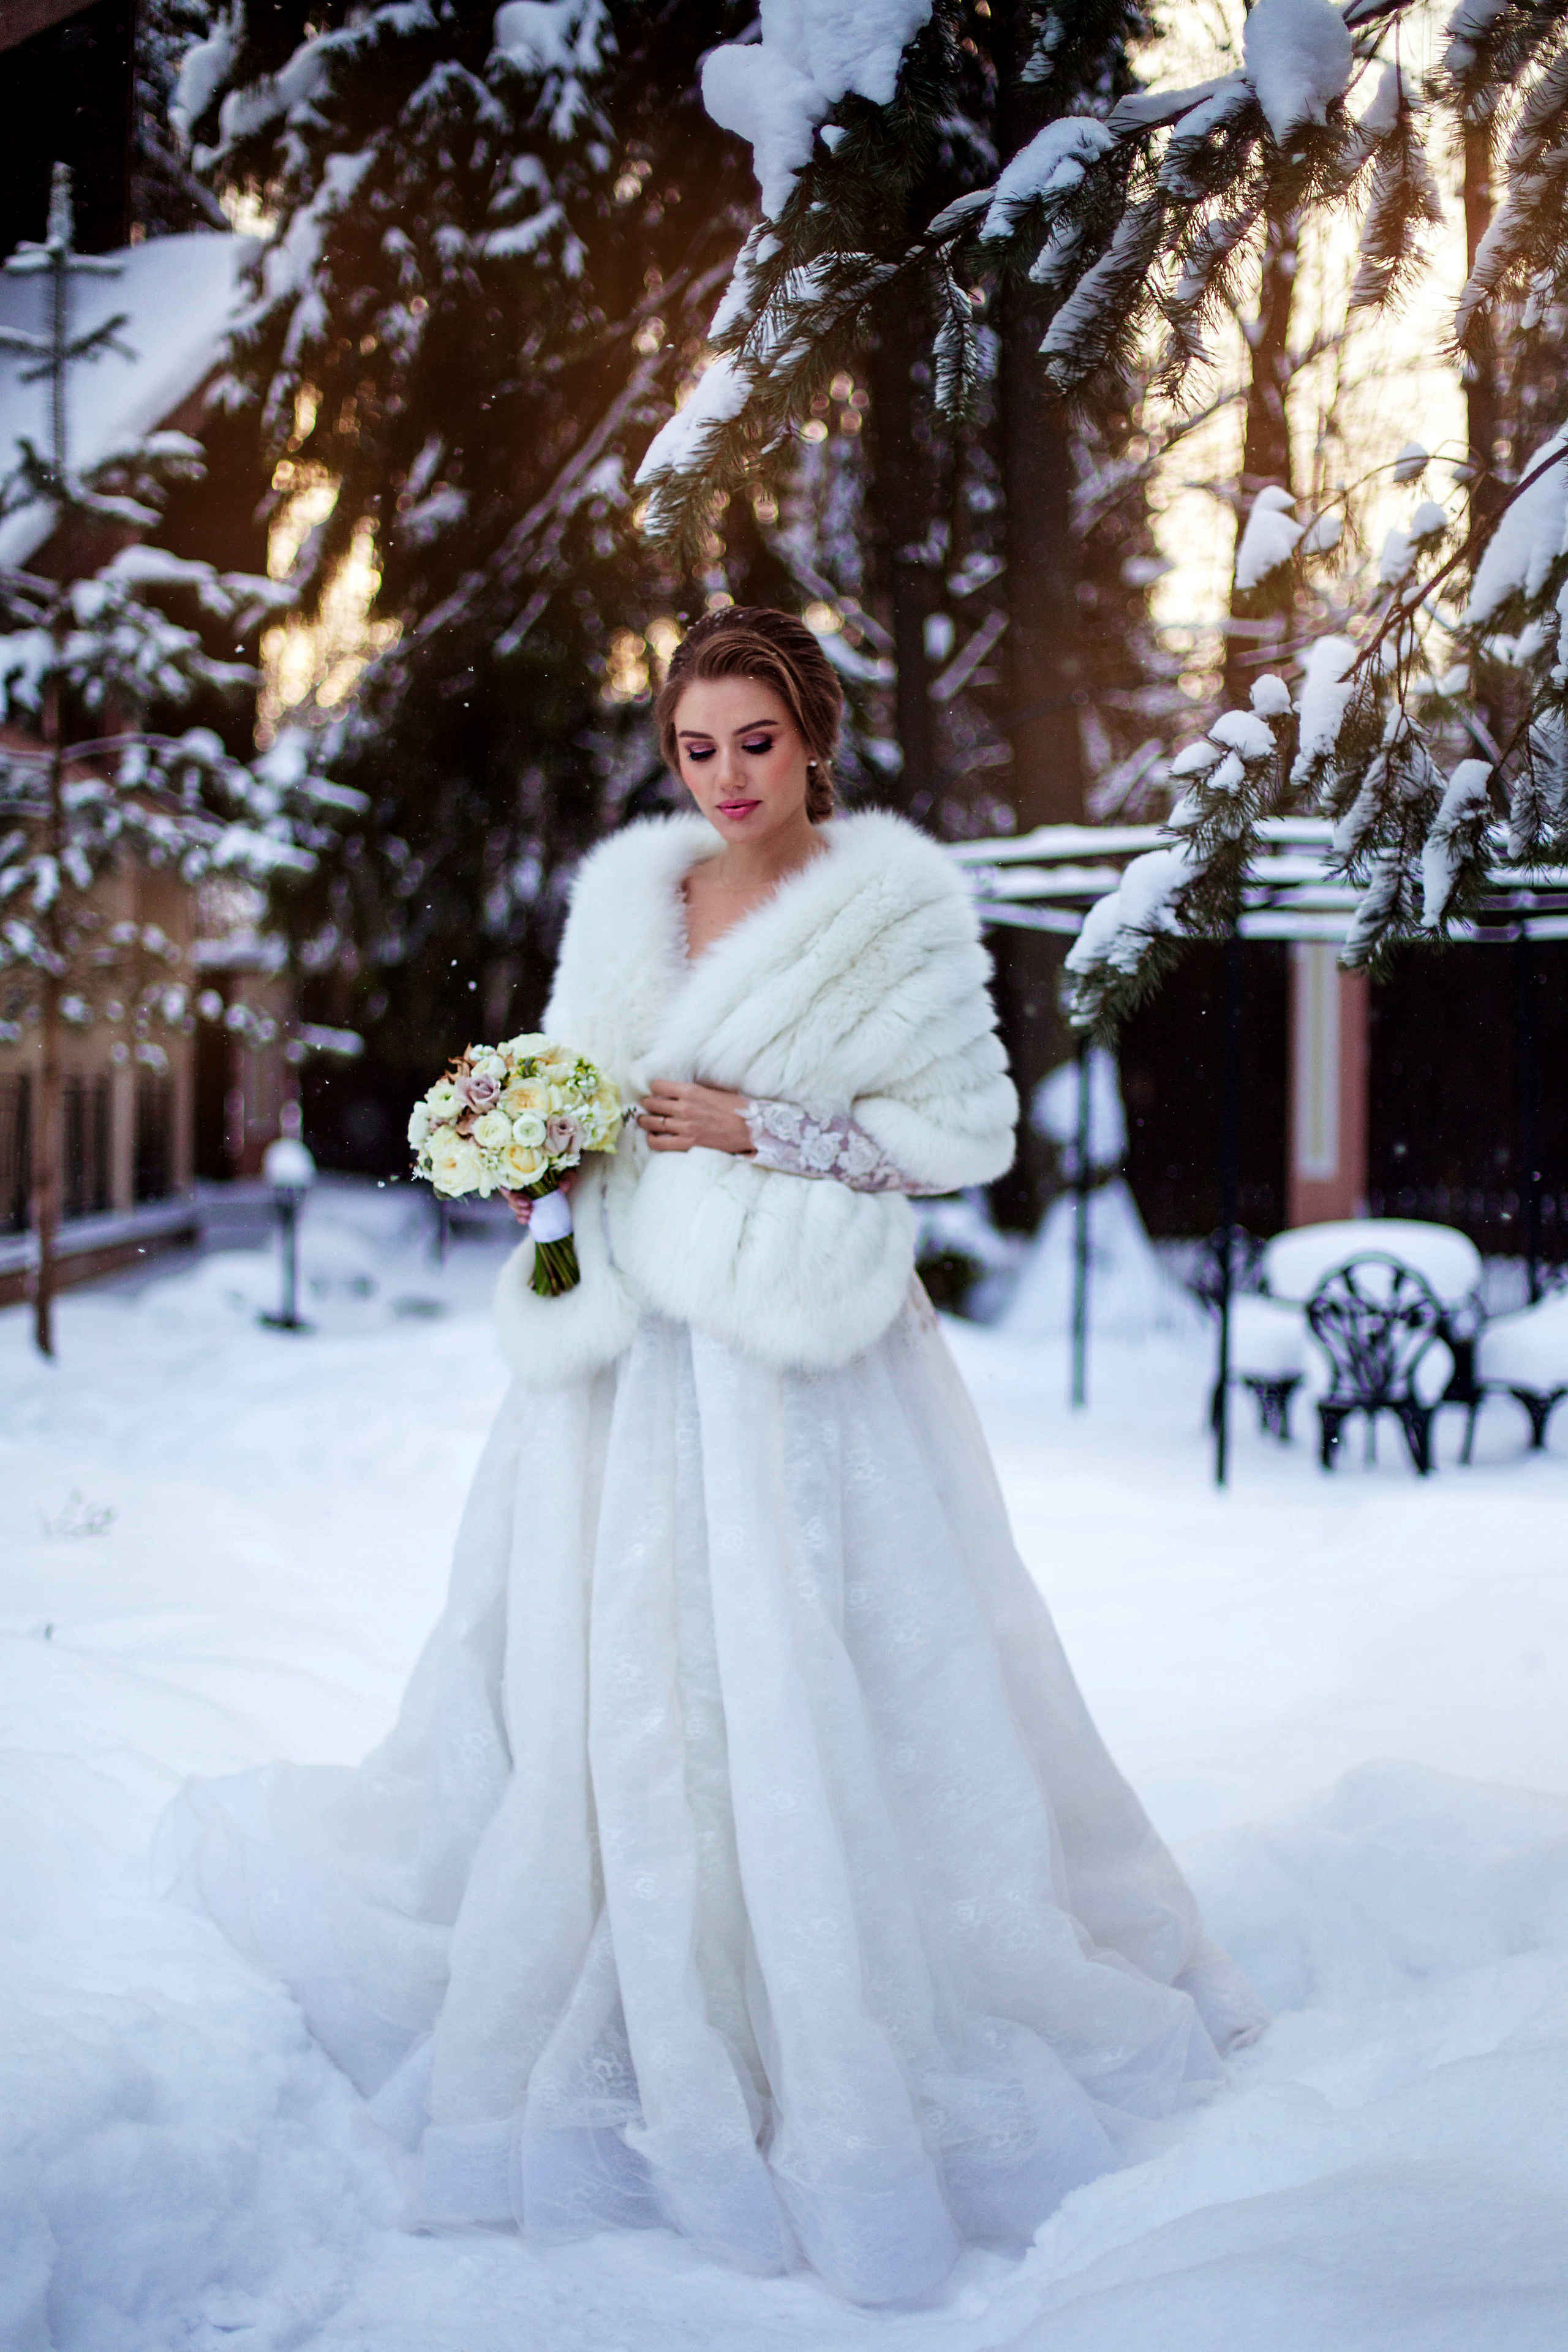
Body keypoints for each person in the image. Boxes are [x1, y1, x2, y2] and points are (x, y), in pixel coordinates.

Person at [161, 607, 1264, 2307]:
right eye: (698, 747)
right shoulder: (629, 899)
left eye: (758, 741)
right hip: (625, 1370)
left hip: (798, 1371)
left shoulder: (890, 915)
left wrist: (760, 1126)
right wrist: (537, 1148)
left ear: (815, 736)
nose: (729, 776)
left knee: (816, 1668)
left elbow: (962, 1138)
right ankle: (636, 1983)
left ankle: (829, 2017)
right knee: (608, 1681)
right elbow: (589, 1089)